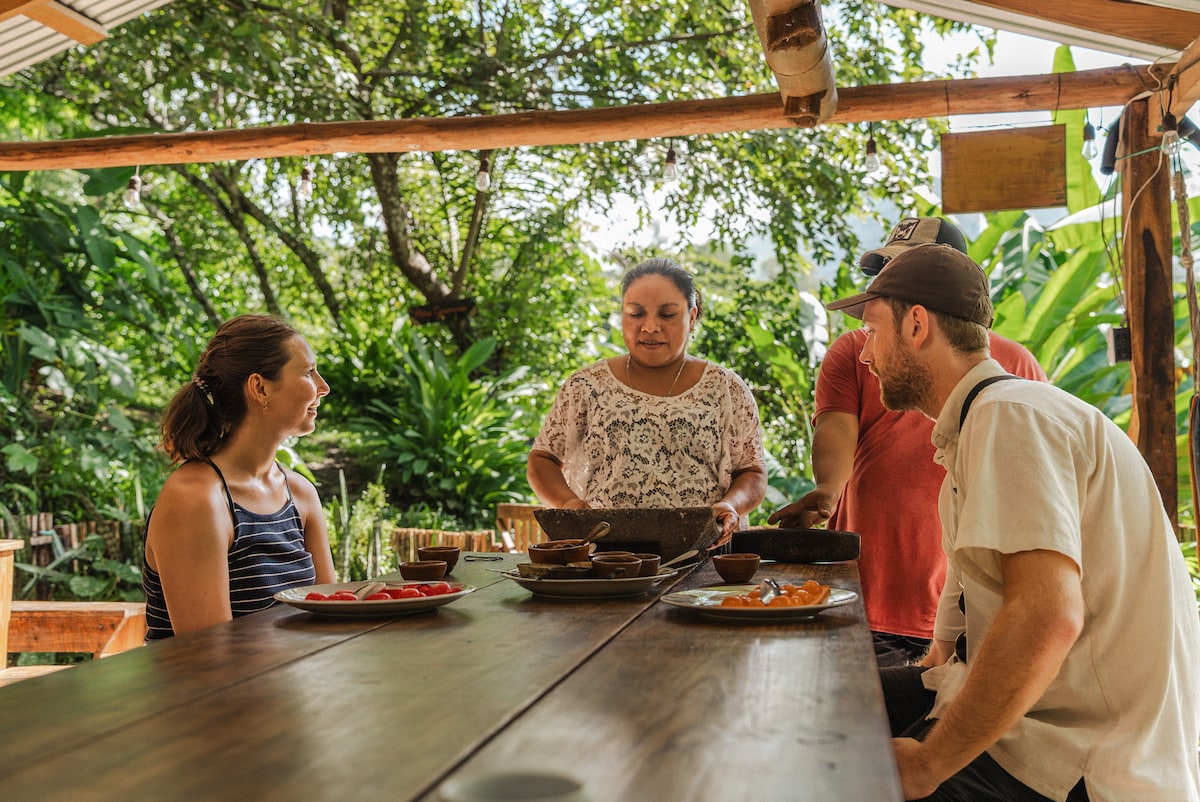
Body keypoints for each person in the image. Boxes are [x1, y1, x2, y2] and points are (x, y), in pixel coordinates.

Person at [825, 242, 1200, 801]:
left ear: (917, 325)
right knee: (819, 702)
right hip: (1035, 716)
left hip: (1080, 756)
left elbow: (1047, 615)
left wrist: (928, 763)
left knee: (832, 780)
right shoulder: (980, 424)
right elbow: (952, 639)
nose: (865, 355)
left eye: (872, 331)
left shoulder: (1010, 416)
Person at [769, 217, 1046, 666]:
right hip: (867, 586)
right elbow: (836, 428)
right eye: (885, 270)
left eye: (904, 270)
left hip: (963, 602)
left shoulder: (1015, 368)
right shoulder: (857, 350)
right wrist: (828, 491)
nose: (887, 282)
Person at [527, 257, 767, 546]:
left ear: (691, 317)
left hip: (701, 553)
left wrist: (731, 505)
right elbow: (543, 459)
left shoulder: (726, 388)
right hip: (607, 555)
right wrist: (570, 504)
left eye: (667, 315)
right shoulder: (586, 385)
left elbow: (751, 471)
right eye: (635, 313)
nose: (650, 327)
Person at [142, 315, 336, 640]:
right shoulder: (196, 498)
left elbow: (331, 619)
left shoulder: (300, 493)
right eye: (307, 372)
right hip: (207, 676)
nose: (323, 387)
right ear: (259, 387)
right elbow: (210, 654)